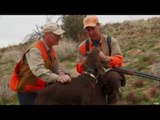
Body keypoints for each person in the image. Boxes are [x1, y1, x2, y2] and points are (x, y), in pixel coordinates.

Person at [9, 22, 71, 105]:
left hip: (41, 89)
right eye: (57, 35)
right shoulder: (35, 50)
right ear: (46, 35)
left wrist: (61, 73)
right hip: (28, 92)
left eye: (60, 35)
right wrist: (58, 78)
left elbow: (56, 67)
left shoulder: (52, 50)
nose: (60, 37)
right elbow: (39, 70)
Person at [76, 15, 126, 104]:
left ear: (98, 26)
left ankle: (113, 101)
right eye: (88, 30)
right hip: (93, 79)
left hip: (109, 74)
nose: (91, 32)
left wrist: (105, 58)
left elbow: (120, 60)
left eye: (93, 28)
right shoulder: (82, 46)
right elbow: (79, 69)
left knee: (113, 78)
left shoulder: (111, 41)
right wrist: (83, 63)